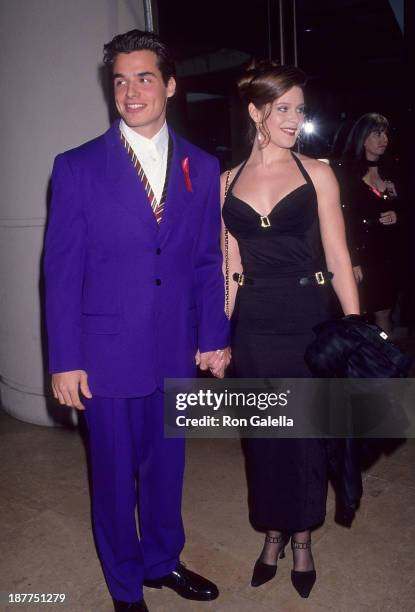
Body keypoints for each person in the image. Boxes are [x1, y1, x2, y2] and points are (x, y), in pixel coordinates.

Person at [44, 29, 230, 612]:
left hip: (174, 348)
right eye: (120, 80)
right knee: (114, 476)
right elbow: (60, 271)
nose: (131, 92)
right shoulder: (76, 167)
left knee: (167, 470)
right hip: (104, 354)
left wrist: (214, 338)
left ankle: (161, 562)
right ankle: (125, 587)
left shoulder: (201, 165)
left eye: (144, 78)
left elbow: (206, 259)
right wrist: (65, 359)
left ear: (170, 86)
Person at [221, 60, 359, 598]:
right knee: (262, 438)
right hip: (253, 326)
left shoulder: (316, 172)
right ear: (255, 112)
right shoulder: (226, 181)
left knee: (302, 439)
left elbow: (340, 257)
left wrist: (353, 328)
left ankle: (301, 539)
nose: (295, 119)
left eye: (299, 109)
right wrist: (220, 334)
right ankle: (271, 534)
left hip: (306, 319)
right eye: (283, 109)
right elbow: (227, 264)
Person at [335, 113, 401, 335]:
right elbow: (344, 220)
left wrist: (397, 213)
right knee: (364, 312)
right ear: (363, 138)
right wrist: (352, 261)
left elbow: (406, 207)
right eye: (376, 133)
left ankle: (386, 361)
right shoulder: (346, 173)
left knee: (385, 310)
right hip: (362, 253)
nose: (384, 139)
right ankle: (373, 362)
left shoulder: (392, 169)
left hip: (389, 253)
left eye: (385, 133)